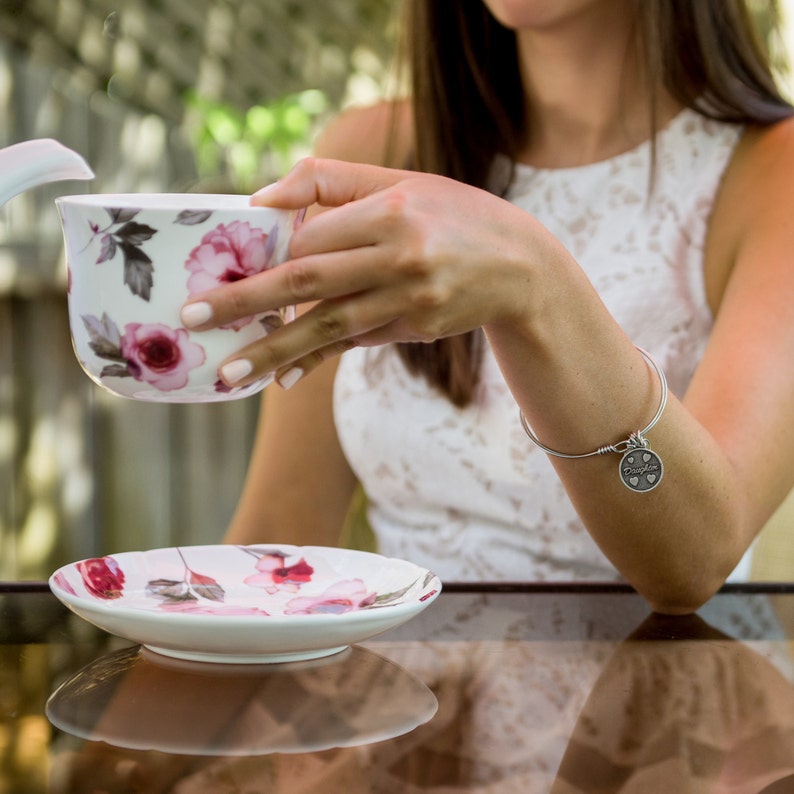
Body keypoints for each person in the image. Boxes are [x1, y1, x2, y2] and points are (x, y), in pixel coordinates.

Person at [179, 0, 794, 615]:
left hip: (662, 694)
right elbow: (279, 534)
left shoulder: (772, 172)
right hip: (407, 704)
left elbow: (695, 564)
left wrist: (539, 289)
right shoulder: (372, 149)